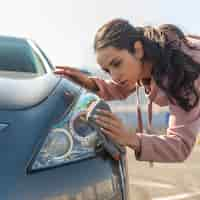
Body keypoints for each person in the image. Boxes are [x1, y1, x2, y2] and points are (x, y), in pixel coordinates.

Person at [55, 19, 200, 163]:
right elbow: (122, 87)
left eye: (117, 63)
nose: (115, 76)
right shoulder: (154, 59)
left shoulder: (183, 74)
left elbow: (179, 146)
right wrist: (89, 83)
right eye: (107, 70)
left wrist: (130, 138)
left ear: (138, 50)